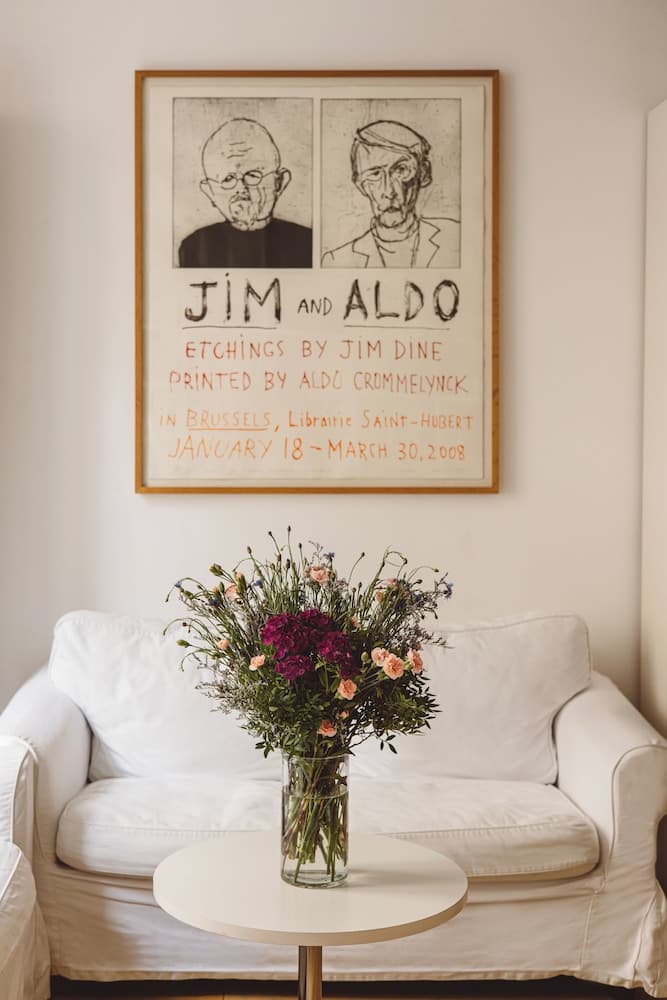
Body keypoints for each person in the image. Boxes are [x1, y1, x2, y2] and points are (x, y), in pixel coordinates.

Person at [321, 119, 460, 269]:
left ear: (424, 173)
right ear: (360, 184)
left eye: (401, 170)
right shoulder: (335, 260)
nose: (389, 192)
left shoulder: (457, 236)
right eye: (374, 174)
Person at [179, 118, 312, 268]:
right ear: (210, 192)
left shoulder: (308, 243)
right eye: (228, 179)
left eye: (253, 175)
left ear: (279, 182)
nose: (241, 188)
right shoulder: (194, 247)